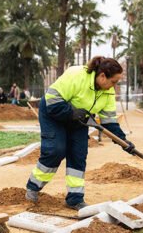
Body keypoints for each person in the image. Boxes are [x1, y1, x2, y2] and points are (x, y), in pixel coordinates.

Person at [25, 56, 135, 210]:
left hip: (80, 120)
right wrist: (72, 112)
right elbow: (51, 100)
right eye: (113, 82)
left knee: (78, 154)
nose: (114, 86)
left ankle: (75, 199)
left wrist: (124, 142)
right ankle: (33, 187)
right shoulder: (76, 74)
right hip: (54, 113)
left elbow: (109, 122)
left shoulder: (107, 92)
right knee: (55, 150)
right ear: (102, 76)